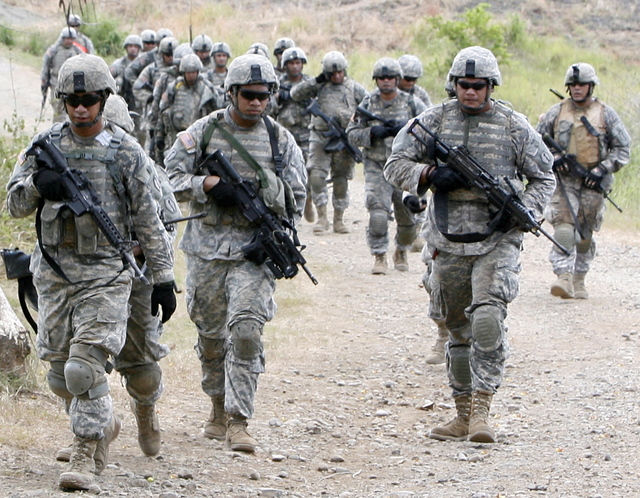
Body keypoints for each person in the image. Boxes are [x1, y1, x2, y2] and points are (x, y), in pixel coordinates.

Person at [6, 53, 176, 491]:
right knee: (61, 374)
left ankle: (87, 456)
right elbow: (14, 205)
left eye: (90, 100)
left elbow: (148, 220)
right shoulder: (44, 147)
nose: (81, 108)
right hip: (55, 275)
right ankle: (103, 424)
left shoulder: (126, 154)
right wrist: (37, 186)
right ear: (63, 101)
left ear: (104, 99)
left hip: (106, 275)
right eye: (73, 100)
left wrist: (162, 277)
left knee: (84, 368)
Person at [385, 46, 555, 443]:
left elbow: (544, 176)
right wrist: (428, 173)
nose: (472, 93)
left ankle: (482, 412)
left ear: (490, 86)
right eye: (465, 85)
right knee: (458, 330)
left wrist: (521, 210)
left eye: (479, 86)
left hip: (497, 239)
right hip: (447, 240)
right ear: (454, 84)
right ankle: (461, 415)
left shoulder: (513, 126)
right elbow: (394, 165)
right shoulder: (432, 121)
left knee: (487, 320)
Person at [164, 54, 306, 453]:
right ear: (232, 93)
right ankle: (217, 406)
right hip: (207, 252)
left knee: (245, 330)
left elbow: (299, 195)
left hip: (253, 252)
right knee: (211, 337)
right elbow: (168, 178)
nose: (257, 102)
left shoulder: (281, 140)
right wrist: (206, 183)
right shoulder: (203, 132)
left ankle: (240, 419)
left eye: (264, 95)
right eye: (249, 95)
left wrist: (267, 193)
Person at [55, 94, 180, 463]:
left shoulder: (143, 166)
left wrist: (148, 259)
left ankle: (145, 412)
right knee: (72, 364)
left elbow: (166, 225)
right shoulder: (62, 159)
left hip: (136, 278)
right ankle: (90, 432)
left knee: (140, 366)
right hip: (82, 275)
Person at [536, 63, 630, 299]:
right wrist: (555, 158)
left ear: (591, 86)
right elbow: (537, 141)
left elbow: (622, 148)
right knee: (564, 228)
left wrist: (602, 169)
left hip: (593, 181)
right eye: (573, 85)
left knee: (584, 234)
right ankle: (563, 277)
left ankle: (579, 278)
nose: (577, 89)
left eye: (582, 84)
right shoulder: (556, 112)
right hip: (564, 180)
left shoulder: (606, 113)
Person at [346, 57, 426, 274]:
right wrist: (372, 133)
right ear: (376, 80)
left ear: (398, 79)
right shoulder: (367, 104)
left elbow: (430, 132)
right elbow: (351, 134)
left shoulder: (412, 104)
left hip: (405, 167)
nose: (386, 81)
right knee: (378, 214)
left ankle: (401, 250)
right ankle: (379, 255)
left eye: (390, 77)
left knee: (408, 219)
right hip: (376, 166)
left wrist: (407, 130)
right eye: (382, 77)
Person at [291, 50, 367, 234]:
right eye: (332, 73)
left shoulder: (354, 88)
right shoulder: (319, 86)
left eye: (340, 72)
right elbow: (296, 94)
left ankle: (338, 219)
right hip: (320, 136)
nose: (337, 76)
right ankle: (322, 217)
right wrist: (316, 81)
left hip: (344, 138)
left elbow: (369, 106)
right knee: (316, 175)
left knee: (341, 178)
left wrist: (357, 125)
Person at [275, 46, 315, 222]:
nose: (295, 66)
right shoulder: (277, 83)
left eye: (298, 62)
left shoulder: (310, 83)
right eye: (291, 63)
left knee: (309, 170)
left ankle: (308, 200)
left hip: (307, 133)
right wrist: (277, 98)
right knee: (284, 170)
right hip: (285, 133)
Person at [156, 53, 218, 162]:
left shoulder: (207, 89)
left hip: (199, 136)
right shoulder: (174, 87)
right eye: (188, 72)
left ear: (198, 72)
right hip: (175, 135)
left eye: (193, 72)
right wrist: (159, 135)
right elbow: (163, 112)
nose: (191, 75)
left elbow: (216, 112)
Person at [41, 27, 83, 123]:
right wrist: (44, 80)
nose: (69, 41)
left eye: (71, 39)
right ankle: (57, 128)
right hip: (56, 82)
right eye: (67, 39)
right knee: (58, 107)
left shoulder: (78, 52)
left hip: (72, 84)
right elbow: (46, 65)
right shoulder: (54, 50)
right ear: (63, 38)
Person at [110, 34, 143, 111]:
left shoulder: (143, 63)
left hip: (139, 97)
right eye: (130, 46)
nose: (133, 49)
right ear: (126, 48)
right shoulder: (119, 63)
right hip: (122, 96)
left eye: (135, 46)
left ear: (139, 48)